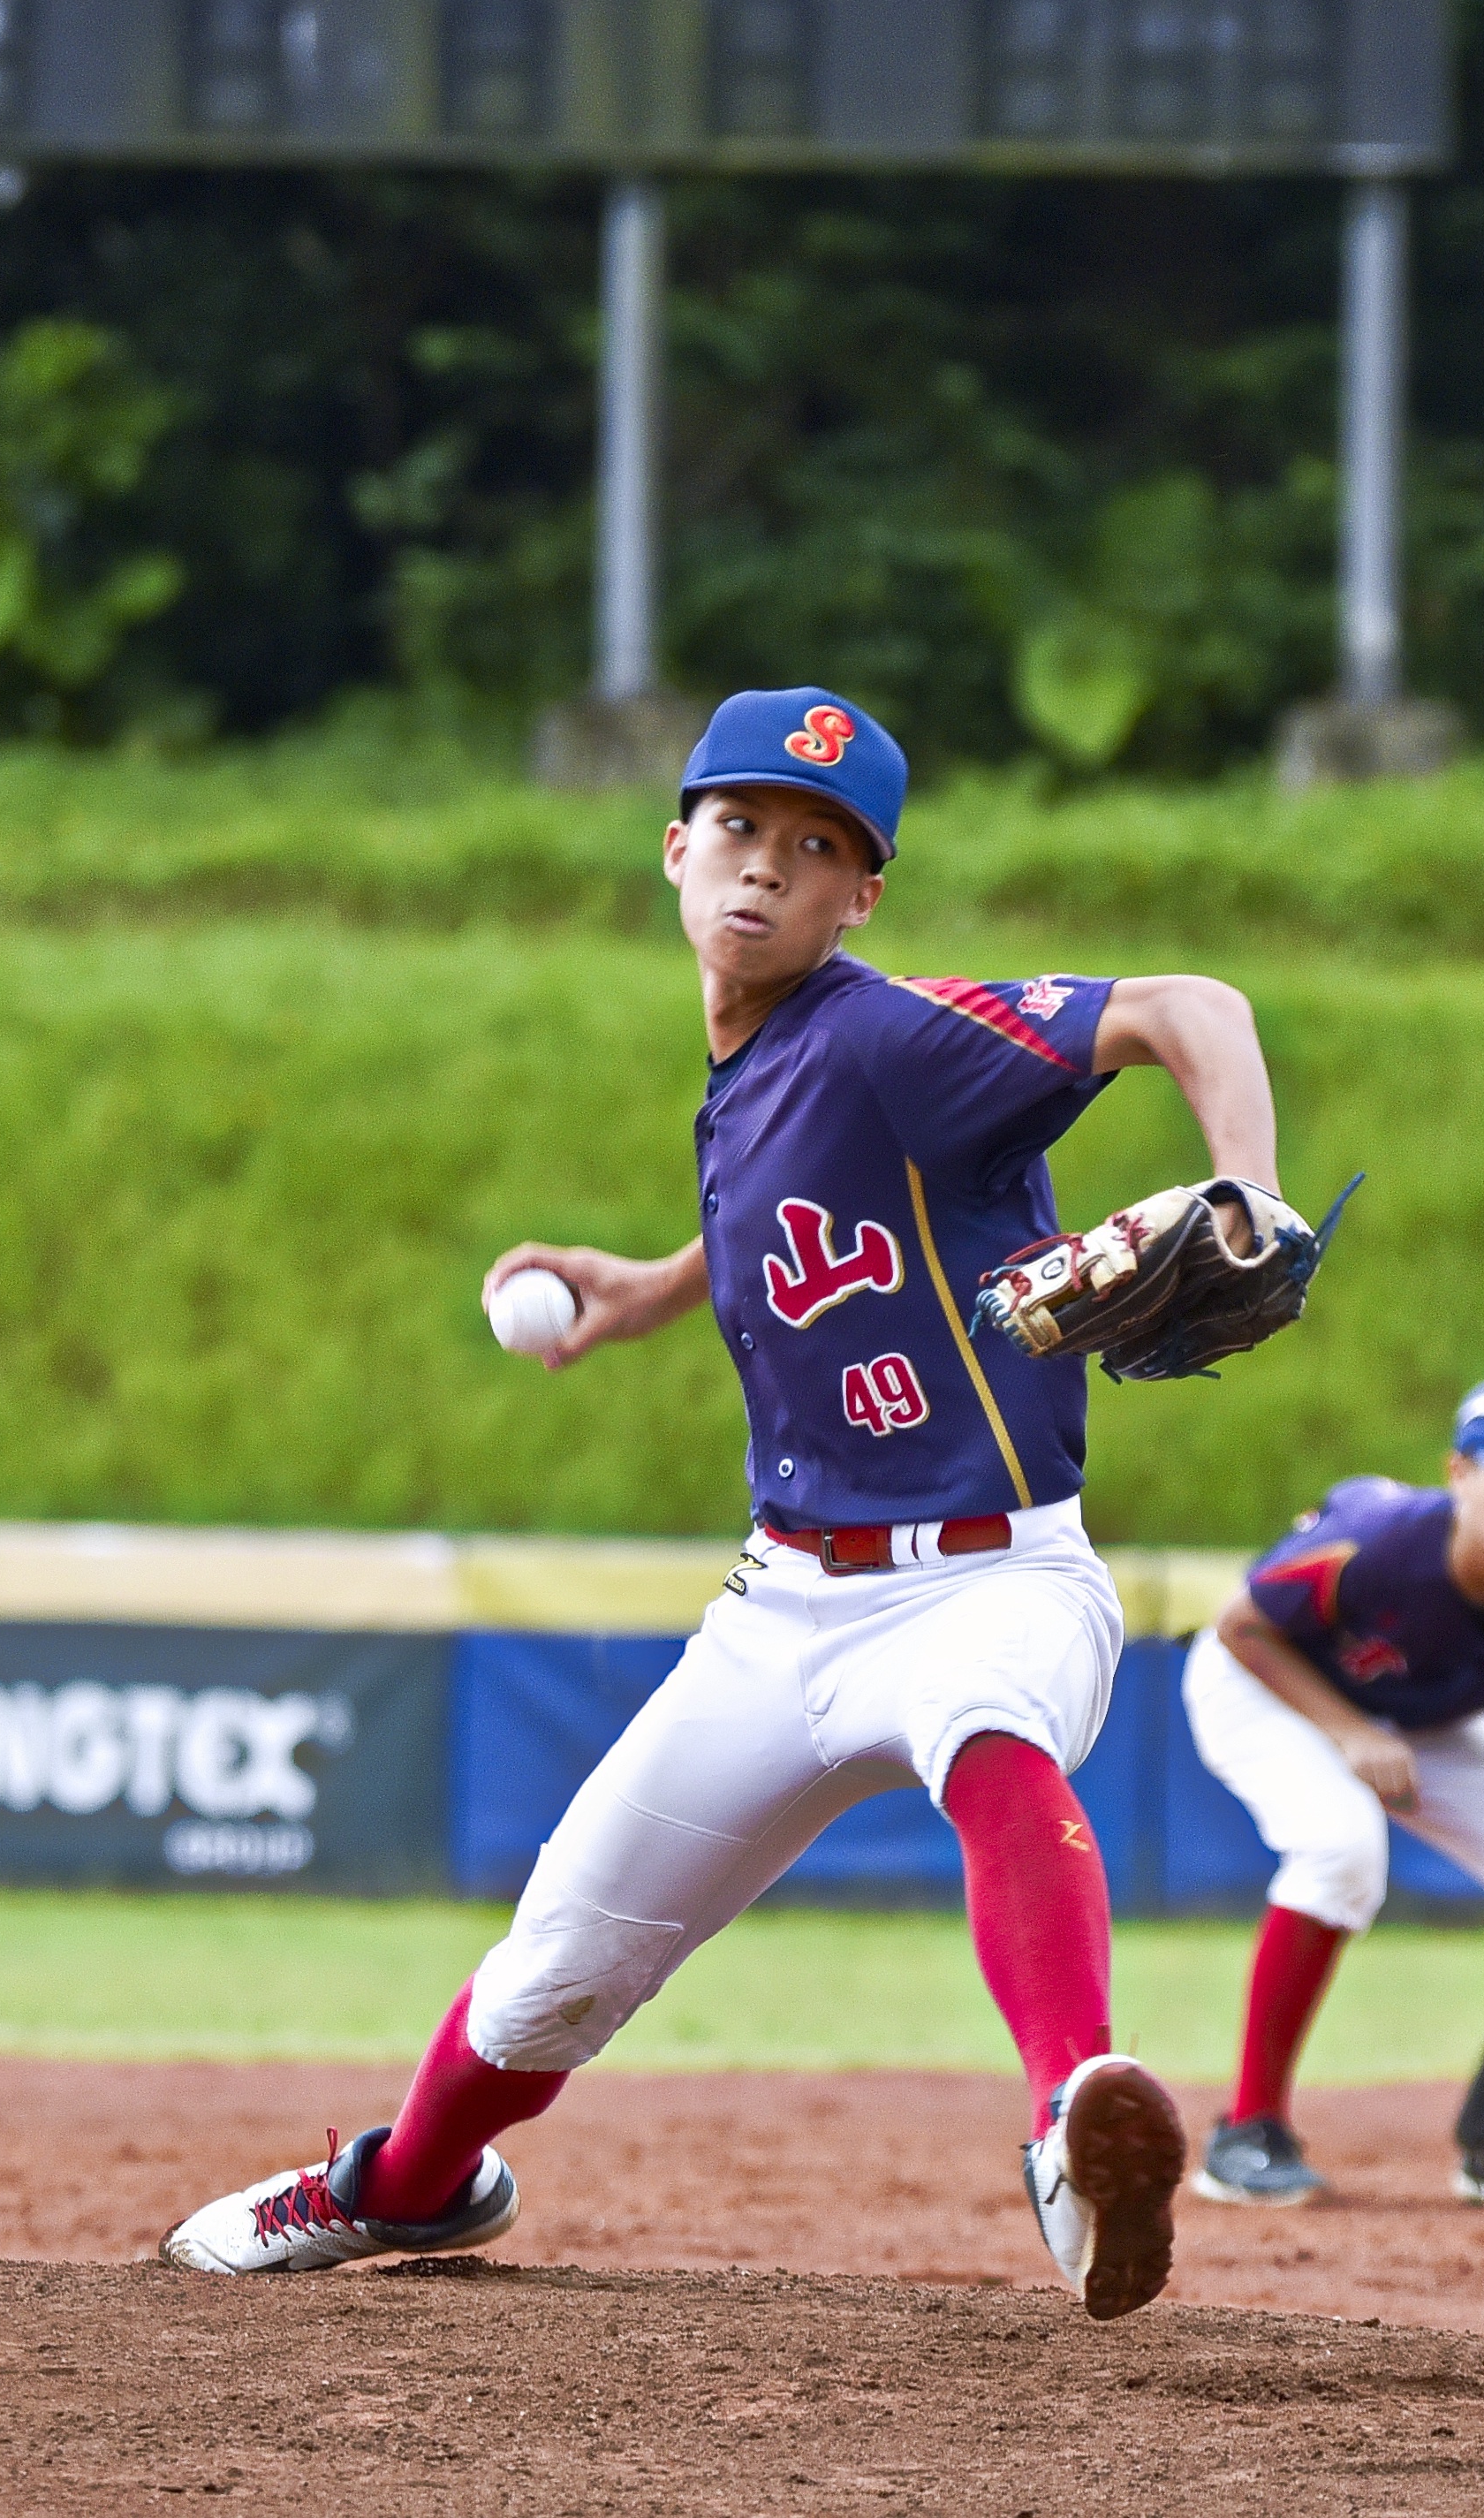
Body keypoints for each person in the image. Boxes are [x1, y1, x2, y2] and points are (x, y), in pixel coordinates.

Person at [163, 685, 1298, 2322]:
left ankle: (1074, 2116)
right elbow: (809, 1211)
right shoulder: (756, 1069)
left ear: (863, 897)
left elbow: (1192, 1006)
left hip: (992, 1578)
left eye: (818, 846)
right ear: (675, 848)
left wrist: (1247, 1187)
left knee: (990, 1735)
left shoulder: (891, 1038)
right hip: (782, 1612)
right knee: (549, 1979)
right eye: (742, 825)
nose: (769, 863)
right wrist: (652, 1287)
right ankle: (400, 2186)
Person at [1183, 1366, 1484, 2210]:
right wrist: (1347, 1731)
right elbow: (1241, 1627)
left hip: (1412, 1716)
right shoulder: (1376, 1542)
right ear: (1460, 1474)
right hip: (1264, 1683)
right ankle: (1248, 2131)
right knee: (1340, 1848)